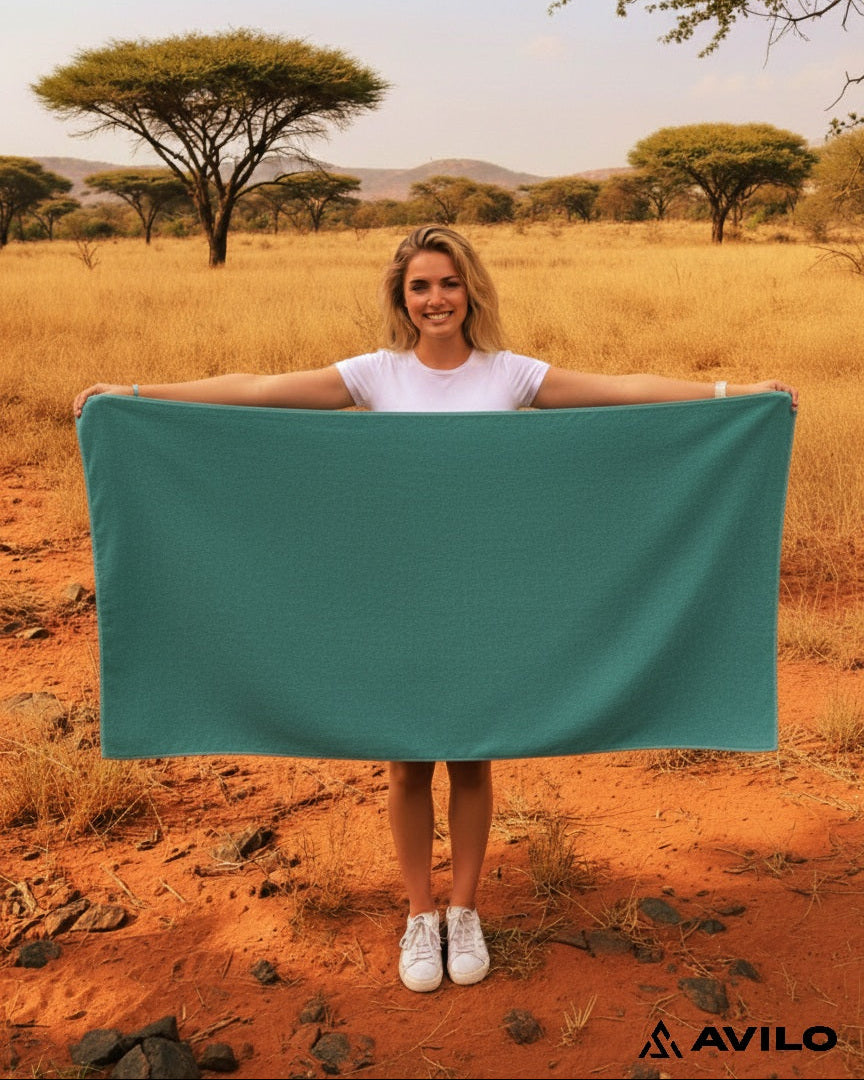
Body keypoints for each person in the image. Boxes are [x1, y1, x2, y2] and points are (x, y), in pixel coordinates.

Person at [74, 224, 798, 994]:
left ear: (470, 290)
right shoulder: (375, 374)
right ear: (402, 297)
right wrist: (135, 397)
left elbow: (622, 388)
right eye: (420, 286)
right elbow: (257, 389)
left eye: (448, 283)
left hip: (485, 593)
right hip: (394, 592)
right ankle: (419, 914)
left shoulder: (511, 374)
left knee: (474, 755)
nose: (435, 299)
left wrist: (734, 396)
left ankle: (464, 909)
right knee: (408, 759)